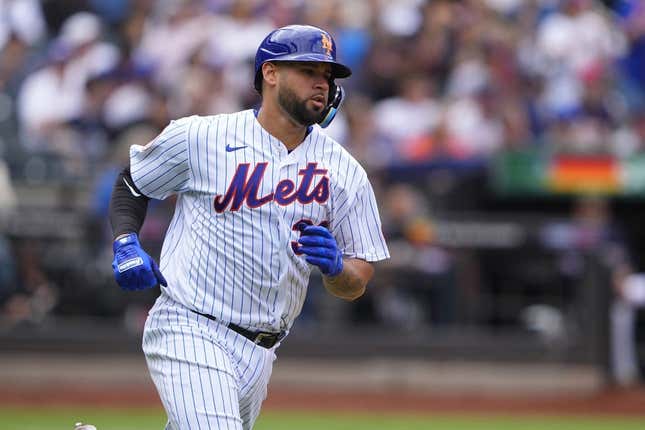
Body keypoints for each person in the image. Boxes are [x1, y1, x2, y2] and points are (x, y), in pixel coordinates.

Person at [108, 24, 389, 429]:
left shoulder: (345, 171)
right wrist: (125, 242)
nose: (322, 84)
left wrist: (337, 269)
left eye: (327, 76)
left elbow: (358, 278)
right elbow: (133, 182)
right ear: (270, 73)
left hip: (263, 349)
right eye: (309, 71)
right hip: (190, 324)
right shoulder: (202, 137)